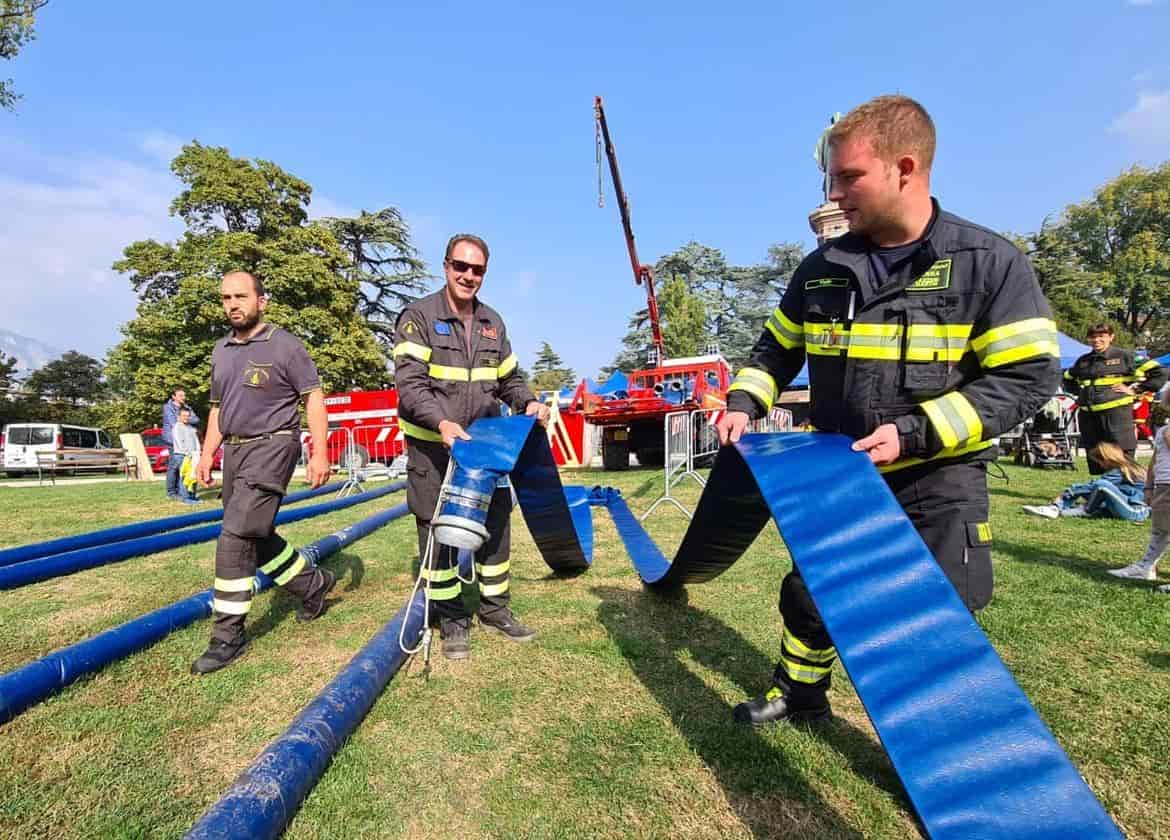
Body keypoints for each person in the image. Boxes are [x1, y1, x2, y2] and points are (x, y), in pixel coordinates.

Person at [716, 95, 1061, 726]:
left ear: (906, 167)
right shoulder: (821, 270)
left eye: (848, 177)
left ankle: (934, 742)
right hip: (840, 468)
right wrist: (744, 399)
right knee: (811, 592)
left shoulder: (989, 264)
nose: (834, 192)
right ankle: (800, 694)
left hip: (938, 475)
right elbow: (774, 351)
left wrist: (917, 433)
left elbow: (1028, 377)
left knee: (938, 611)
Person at [393, 233, 550, 661]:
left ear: (484, 273)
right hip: (434, 448)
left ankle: (495, 608)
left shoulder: (493, 323)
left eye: (476, 269)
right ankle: (452, 619)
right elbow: (409, 384)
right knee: (437, 532)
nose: (467, 275)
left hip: (484, 450)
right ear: (445, 267)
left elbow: (509, 380)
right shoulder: (418, 317)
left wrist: (529, 401)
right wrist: (440, 421)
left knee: (496, 526)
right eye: (460, 266)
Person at [189, 270, 336, 675]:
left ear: (261, 301)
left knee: (235, 535)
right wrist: (206, 456)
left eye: (240, 296)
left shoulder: (286, 346)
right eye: (225, 298)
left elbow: (314, 399)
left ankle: (226, 636)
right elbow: (218, 409)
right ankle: (313, 585)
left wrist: (319, 452)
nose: (232, 304)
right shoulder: (220, 351)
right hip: (235, 452)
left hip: (274, 445)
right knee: (256, 532)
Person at [1063, 324, 1165, 475]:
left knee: (1121, 455)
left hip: (1116, 416)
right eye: (1093, 337)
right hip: (1089, 417)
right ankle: (1103, 490)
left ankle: (1127, 490)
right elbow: (1067, 377)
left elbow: (1160, 373)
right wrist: (1081, 394)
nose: (1096, 340)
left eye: (1101, 336)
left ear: (1111, 337)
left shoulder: (1125, 356)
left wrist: (1135, 390)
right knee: (1096, 455)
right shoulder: (1084, 360)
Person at [1109, 395, 1170, 588]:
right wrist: (1149, 486)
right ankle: (1146, 566)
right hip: (1163, 485)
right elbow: (1155, 459)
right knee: (1160, 529)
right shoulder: (1163, 430)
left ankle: (1145, 566)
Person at [1022, 443, 1149, 522]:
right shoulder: (1126, 469)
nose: (1100, 465)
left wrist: (1070, 491)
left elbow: (1096, 485)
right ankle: (1058, 508)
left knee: (1101, 486)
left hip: (1135, 511)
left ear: (1107, 459)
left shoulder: (1121, 471)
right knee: (1097, 488)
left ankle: (1073, 508)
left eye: (1099, 461)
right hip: (1124, 506)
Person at [162, 387, 199, 499]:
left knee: (185, 467)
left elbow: (196, 419)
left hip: (187, 440)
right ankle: (171, 492)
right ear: (174, 397)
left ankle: (182, 491)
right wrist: (186, 418)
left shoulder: (187, 407)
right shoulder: (168, 408)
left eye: (184, 395)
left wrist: (185, 418)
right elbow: (174, 423)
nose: (183, 397)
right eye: (180, 395)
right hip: (173, 440)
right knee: (174, 466)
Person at [170, 406, 202, 504]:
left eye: (188, 416)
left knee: (193, 476)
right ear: (179, 416)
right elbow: (179, 441)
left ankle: (192, 495)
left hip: (194, 455)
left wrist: (198, 451)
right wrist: (186, 453)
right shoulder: (177, 427)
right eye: (184, 416)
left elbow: (196, 440)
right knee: (184, 476)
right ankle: (185, 497)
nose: (186, 418)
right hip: (182, 455)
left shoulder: (191, 428)